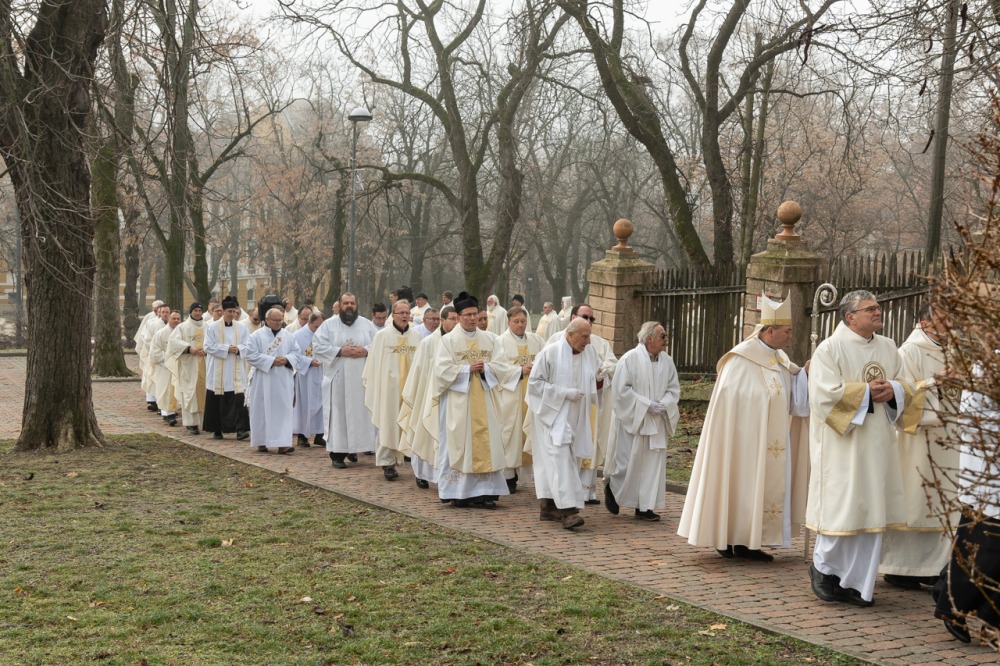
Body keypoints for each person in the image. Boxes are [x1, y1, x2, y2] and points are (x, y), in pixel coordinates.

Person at [806, 290, 923, 607]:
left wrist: (894, 390)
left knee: (872, 510)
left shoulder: (888, 347)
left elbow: (906, 385)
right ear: (850, 316)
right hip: (843, 446)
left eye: (878, 307)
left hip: (879, 443)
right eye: (870, 309)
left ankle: (857, 583)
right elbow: (822, 397)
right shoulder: (829, 349)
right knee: (843, 507)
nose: (877, 312)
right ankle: (825, 570)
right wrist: (866, 393)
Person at [677, 296, 810, 557]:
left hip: (770, 442)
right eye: (787, 331)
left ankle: (751, 541)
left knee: (761, 487)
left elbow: (793, 395)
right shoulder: (740, 359)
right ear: (769, 331)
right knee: (738, 483)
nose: (790, 336)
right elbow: (732, 399)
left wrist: (806, 373)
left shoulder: (780, 357)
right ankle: (727, 538)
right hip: (742, 441)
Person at [880, 302, 960, 589]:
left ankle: (934, 568)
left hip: (950, 438)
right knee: (916, 501)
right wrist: (935, 381)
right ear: (925, 324)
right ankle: (900, 567)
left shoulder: (954, 350)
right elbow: (900, 394)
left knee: (945, 502)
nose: (950, 325)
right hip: (919, 440)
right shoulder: (909, 352)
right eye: (944, 320)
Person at [933, 360, 1000, 646]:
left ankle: (991, 620)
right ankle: (952, 607)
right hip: (986, 471)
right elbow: (971, 419)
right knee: (983, 548)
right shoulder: (985, 366)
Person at [431, 291, 519, 508]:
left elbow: (502, 366)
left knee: (487, 443)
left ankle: (486, 492)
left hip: (486, 401)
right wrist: (466, 369)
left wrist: (485, 368)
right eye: (467, 315)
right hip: (458, 403)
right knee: (459, 443)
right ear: (459, 317)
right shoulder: (448, 341)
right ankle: (459, 493)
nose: (472, 319)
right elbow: (440, 371)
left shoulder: (490, 339)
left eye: (475, 314)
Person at [527, 318, 602, 529]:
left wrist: (600, 378)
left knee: (567, 461)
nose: (588, 341)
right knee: (560, 461)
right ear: (570, 335)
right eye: (584, 336)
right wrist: (563, 393)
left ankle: (549, 506)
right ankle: (569, 511)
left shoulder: (589, 353)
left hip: (577, 417)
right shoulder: (550, 353)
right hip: (553, 416)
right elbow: (534, 384)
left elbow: (593, 377)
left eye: (589, 336)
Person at [605, 321, 681, 522]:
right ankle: (613, 488)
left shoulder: (667, 361)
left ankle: (644, 507)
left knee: (651, 466)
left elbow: (673, 388)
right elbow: (621, 391)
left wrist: (665, 404)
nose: (666, 339)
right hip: (634, 420)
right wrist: (646, 405)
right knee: (627, 464)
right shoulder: (629, 359)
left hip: (656, 421)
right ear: (649, 339)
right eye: (662, 336)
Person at [545, 304, 617, 504]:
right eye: (585, 317)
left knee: (584, 446)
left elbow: (609, 366)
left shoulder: (596, 345)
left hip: (587, 407)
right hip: (560, 409)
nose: (589, 321)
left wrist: (601, 375)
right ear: (573, 318)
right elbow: (541, 379)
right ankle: (558, 499)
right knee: (562, 452)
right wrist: (563, 393)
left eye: (592, 319)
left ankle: (583, 493)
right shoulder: (554, 343)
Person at [312, 293, 378, 468]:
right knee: (339, 416)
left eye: (352, 303)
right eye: (346, 303)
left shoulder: (367, 325)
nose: (349, 306)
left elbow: (379, 344)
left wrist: (366, 350)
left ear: (356, 305)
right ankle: (338, 454)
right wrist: (340, 351)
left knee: (360, 414)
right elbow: (317, 346)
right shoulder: (328, 325)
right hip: (338, 379)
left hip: (361, 379)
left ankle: (354, 448)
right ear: (340, 305)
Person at [399, 304, 459, 489]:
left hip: (452, 396)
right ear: (443, 320)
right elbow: (419, 371)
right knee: (424, 433)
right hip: (428, 394)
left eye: (458, 319)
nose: (456, 323)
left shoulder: (459, 342)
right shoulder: (428, 343)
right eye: (452, 319)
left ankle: (446, 476)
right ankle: (421, 473)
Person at [362, 300, 422, 480]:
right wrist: (377, 386)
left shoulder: (417, 337)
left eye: (407, 313)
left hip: (410, 389)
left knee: (411, 422)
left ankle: (412, 457)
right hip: (388, 390)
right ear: (393, 315)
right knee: (387, 423)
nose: (404, 316)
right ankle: (387, 462)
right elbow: (373, 365)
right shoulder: (382, 336)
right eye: (401, 313)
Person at [497, 306, 545, 494]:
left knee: (531, 432)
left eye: (523, 321)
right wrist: (519, 370)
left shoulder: (537, 341)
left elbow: (546, 361)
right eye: (516, 321)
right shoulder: (500, 342)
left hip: (532, 395)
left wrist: (535, 368)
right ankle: (508, 476)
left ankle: (529, 475)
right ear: (508, 322)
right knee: (509, 434)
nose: (520, 325)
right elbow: (497, 369)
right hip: (510, 396)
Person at [245, 307, 299, 453]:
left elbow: (296, 353)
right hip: (263, 379)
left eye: (280, 320)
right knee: (261, 410)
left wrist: (286, 359)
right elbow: (250, 355)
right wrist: (272, 360)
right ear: (267, 320)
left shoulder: (289, 336)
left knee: (283, 409)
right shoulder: (255, 336)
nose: (278, 323)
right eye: (275, 320)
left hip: (283, 379)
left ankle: (283, 443)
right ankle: (261, 441)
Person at [202, 295, 251, 441]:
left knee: (238, 400)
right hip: (218, 370)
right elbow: (207, 346)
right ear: (223, 311)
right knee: (217, 401)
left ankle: (240, 430)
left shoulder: (242, 327)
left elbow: (248, 345)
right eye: (229, 311)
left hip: (236, 370)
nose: (232, 314)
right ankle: (217, 429)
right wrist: (226, 348)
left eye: (234, 311)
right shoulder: (212, 327)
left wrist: (239, 349)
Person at [166, 302, 208, 435]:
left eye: (199, 310)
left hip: (205, 364)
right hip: (189, 365)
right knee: (190, 393)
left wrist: (207, 350)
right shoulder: (182, 327)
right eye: (195, 310)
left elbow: (214, 342)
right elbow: (173, 342)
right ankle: (191, 423)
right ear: (191, 312)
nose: (197, 313)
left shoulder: (208, 326)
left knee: (204, 392)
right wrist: (189, 348)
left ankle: (204, 422)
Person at [292, 310, 326, 448]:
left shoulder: (325, 334)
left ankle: (320, 435)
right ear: (309, 323)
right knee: (305, 405)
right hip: (305, 376)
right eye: (316, 326)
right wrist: (309, 362)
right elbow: (294, 355)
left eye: (321, 326)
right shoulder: (297, 335)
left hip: (322, 373)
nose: (319, 329)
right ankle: (302, 436)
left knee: (323, 404)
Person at [149, 309, 181, 427]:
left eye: (178, 318)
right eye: (173, 318)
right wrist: (169, 357)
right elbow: (155, 352)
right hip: (165, 367)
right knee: (166, 390)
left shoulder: (182, 332)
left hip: (180, 366)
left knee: (177, 389)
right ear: (169, 319)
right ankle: (168, 414)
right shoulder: (161, 334)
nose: (176, 321)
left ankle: (174, 411)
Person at [134, 299, 165, 411]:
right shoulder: (149, 318)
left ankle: (162, 402)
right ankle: (151, 400)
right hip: (151, 352)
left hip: (164, 354)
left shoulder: (168, 320)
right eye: (155, 310)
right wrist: (152, 350)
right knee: (151, 376)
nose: (157, 312)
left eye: (159, 309)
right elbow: (143, 336)